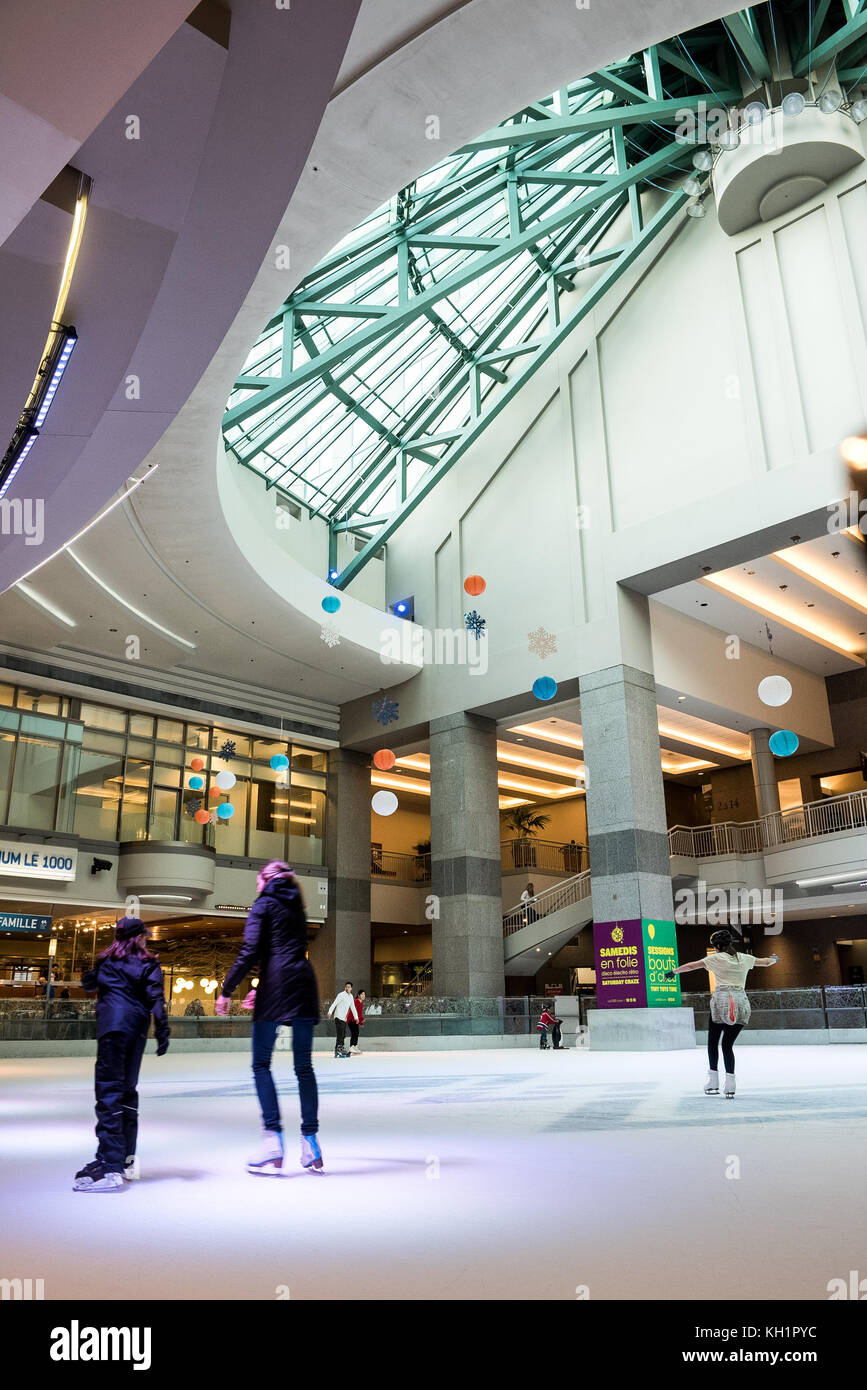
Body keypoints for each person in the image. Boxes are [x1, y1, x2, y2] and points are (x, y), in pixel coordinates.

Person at [216, 861, 322, 1175]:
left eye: (258, 881)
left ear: (265, 880)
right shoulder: (298, 907)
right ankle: (311, 1143)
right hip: (303, 982)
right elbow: (286, 951)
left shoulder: (263, 904)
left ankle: (273, 1141)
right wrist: (260, 988)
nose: (257, 887)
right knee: (304, 1066)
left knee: (261, 1064)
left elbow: (251, 950)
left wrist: (227, 990)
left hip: (277, 985)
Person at [73, 917, 170, 1192]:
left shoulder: (107, 961)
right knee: (127, 1092)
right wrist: (162, 1030)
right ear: (140, 937)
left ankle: (110, 1165)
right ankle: (125, 1159)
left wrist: (93, 975)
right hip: (136, 1031)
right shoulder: (149, 962)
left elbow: (89, 984)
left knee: (108, 1095)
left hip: (113, 1031)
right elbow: (156, 997)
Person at [665, 928, 778, 1098]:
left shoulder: (716, 958)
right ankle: (730, 1085)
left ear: (717, 946)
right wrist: (775, 959)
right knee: (727, 1045)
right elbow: (766, 962)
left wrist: (672, 972)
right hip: (741, 1002)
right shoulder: (745, 958)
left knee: (713, 1042)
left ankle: (713, 1082)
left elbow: (691, 966)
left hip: (722, 1001)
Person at [327, 982, 359, 1059]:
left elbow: (353, 1007)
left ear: (351, 988)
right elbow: (334, 1003)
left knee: (343, 1034)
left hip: (344, 1019)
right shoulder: (341, 995)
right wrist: (330, 1011)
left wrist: (356, 1017)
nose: (347, 988)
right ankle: (338, 1050)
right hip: (338, 1017)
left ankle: (340, 1049)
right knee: (340, 1034)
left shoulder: (351, 996)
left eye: (348, 987)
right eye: (346, 987)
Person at [347, 987, 366, 1055]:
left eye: (364, 994)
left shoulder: (360, 1002)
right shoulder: (356, 1001)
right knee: (354, 1033)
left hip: (355, 1020)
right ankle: (352, 1046)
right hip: (351, 1019)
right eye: (362, 994)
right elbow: (354, 1011)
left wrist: (361, 1020)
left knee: (356, 1032)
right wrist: (360, 1020)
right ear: (358, 995)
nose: (363, 995)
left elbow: (359, 1013)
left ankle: (355, 1047)